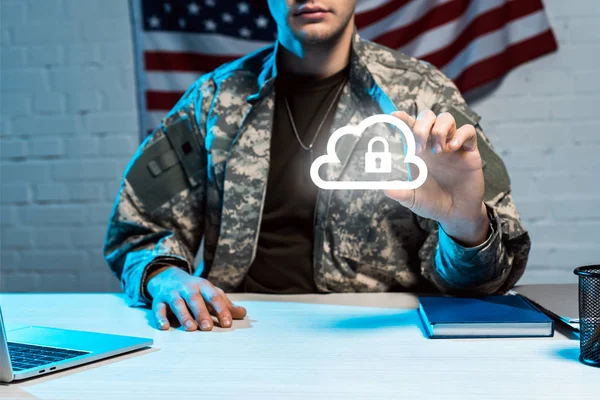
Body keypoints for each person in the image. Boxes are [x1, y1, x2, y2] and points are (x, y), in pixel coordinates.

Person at [104, 0, 531, 332]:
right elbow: (137, 227)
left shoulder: (421, 95)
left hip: (378, 340)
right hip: (234, 330)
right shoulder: (215, 99)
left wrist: (466, 228)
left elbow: (487, 283)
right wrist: (165, 277)